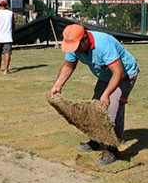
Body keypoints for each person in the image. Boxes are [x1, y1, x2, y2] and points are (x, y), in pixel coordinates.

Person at [50, 24, 139, 166]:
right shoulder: (74, 45)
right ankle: (97, 141)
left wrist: (107, 94)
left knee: (111, 110)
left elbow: (118, 73)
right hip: (106, 76)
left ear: (85, 38)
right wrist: (57, 85)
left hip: (125, 75)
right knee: (94, 109)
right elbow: (69, 65)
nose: (75, 50)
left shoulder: (103, 44)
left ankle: (112, 150)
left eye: (77, 46)